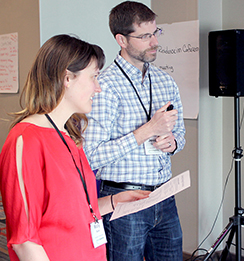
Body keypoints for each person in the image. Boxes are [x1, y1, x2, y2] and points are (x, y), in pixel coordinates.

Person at [0, 34, 150, 261]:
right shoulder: (26, 140)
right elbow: (24, 241)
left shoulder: (69, 136)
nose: (98, 88)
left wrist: (116, 201)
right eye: (94, 77)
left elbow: (75, 211)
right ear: (67, 78)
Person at [82, 1, 186, 260]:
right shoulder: (104, 86)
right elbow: (90, 155)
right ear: (121, 39)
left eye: (155, 32)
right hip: (122, 198)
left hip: (164, 196)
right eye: (144, 36)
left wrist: (172, 142)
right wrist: (145, 131)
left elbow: (181, 135)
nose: (154, 42)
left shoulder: (165, 81)